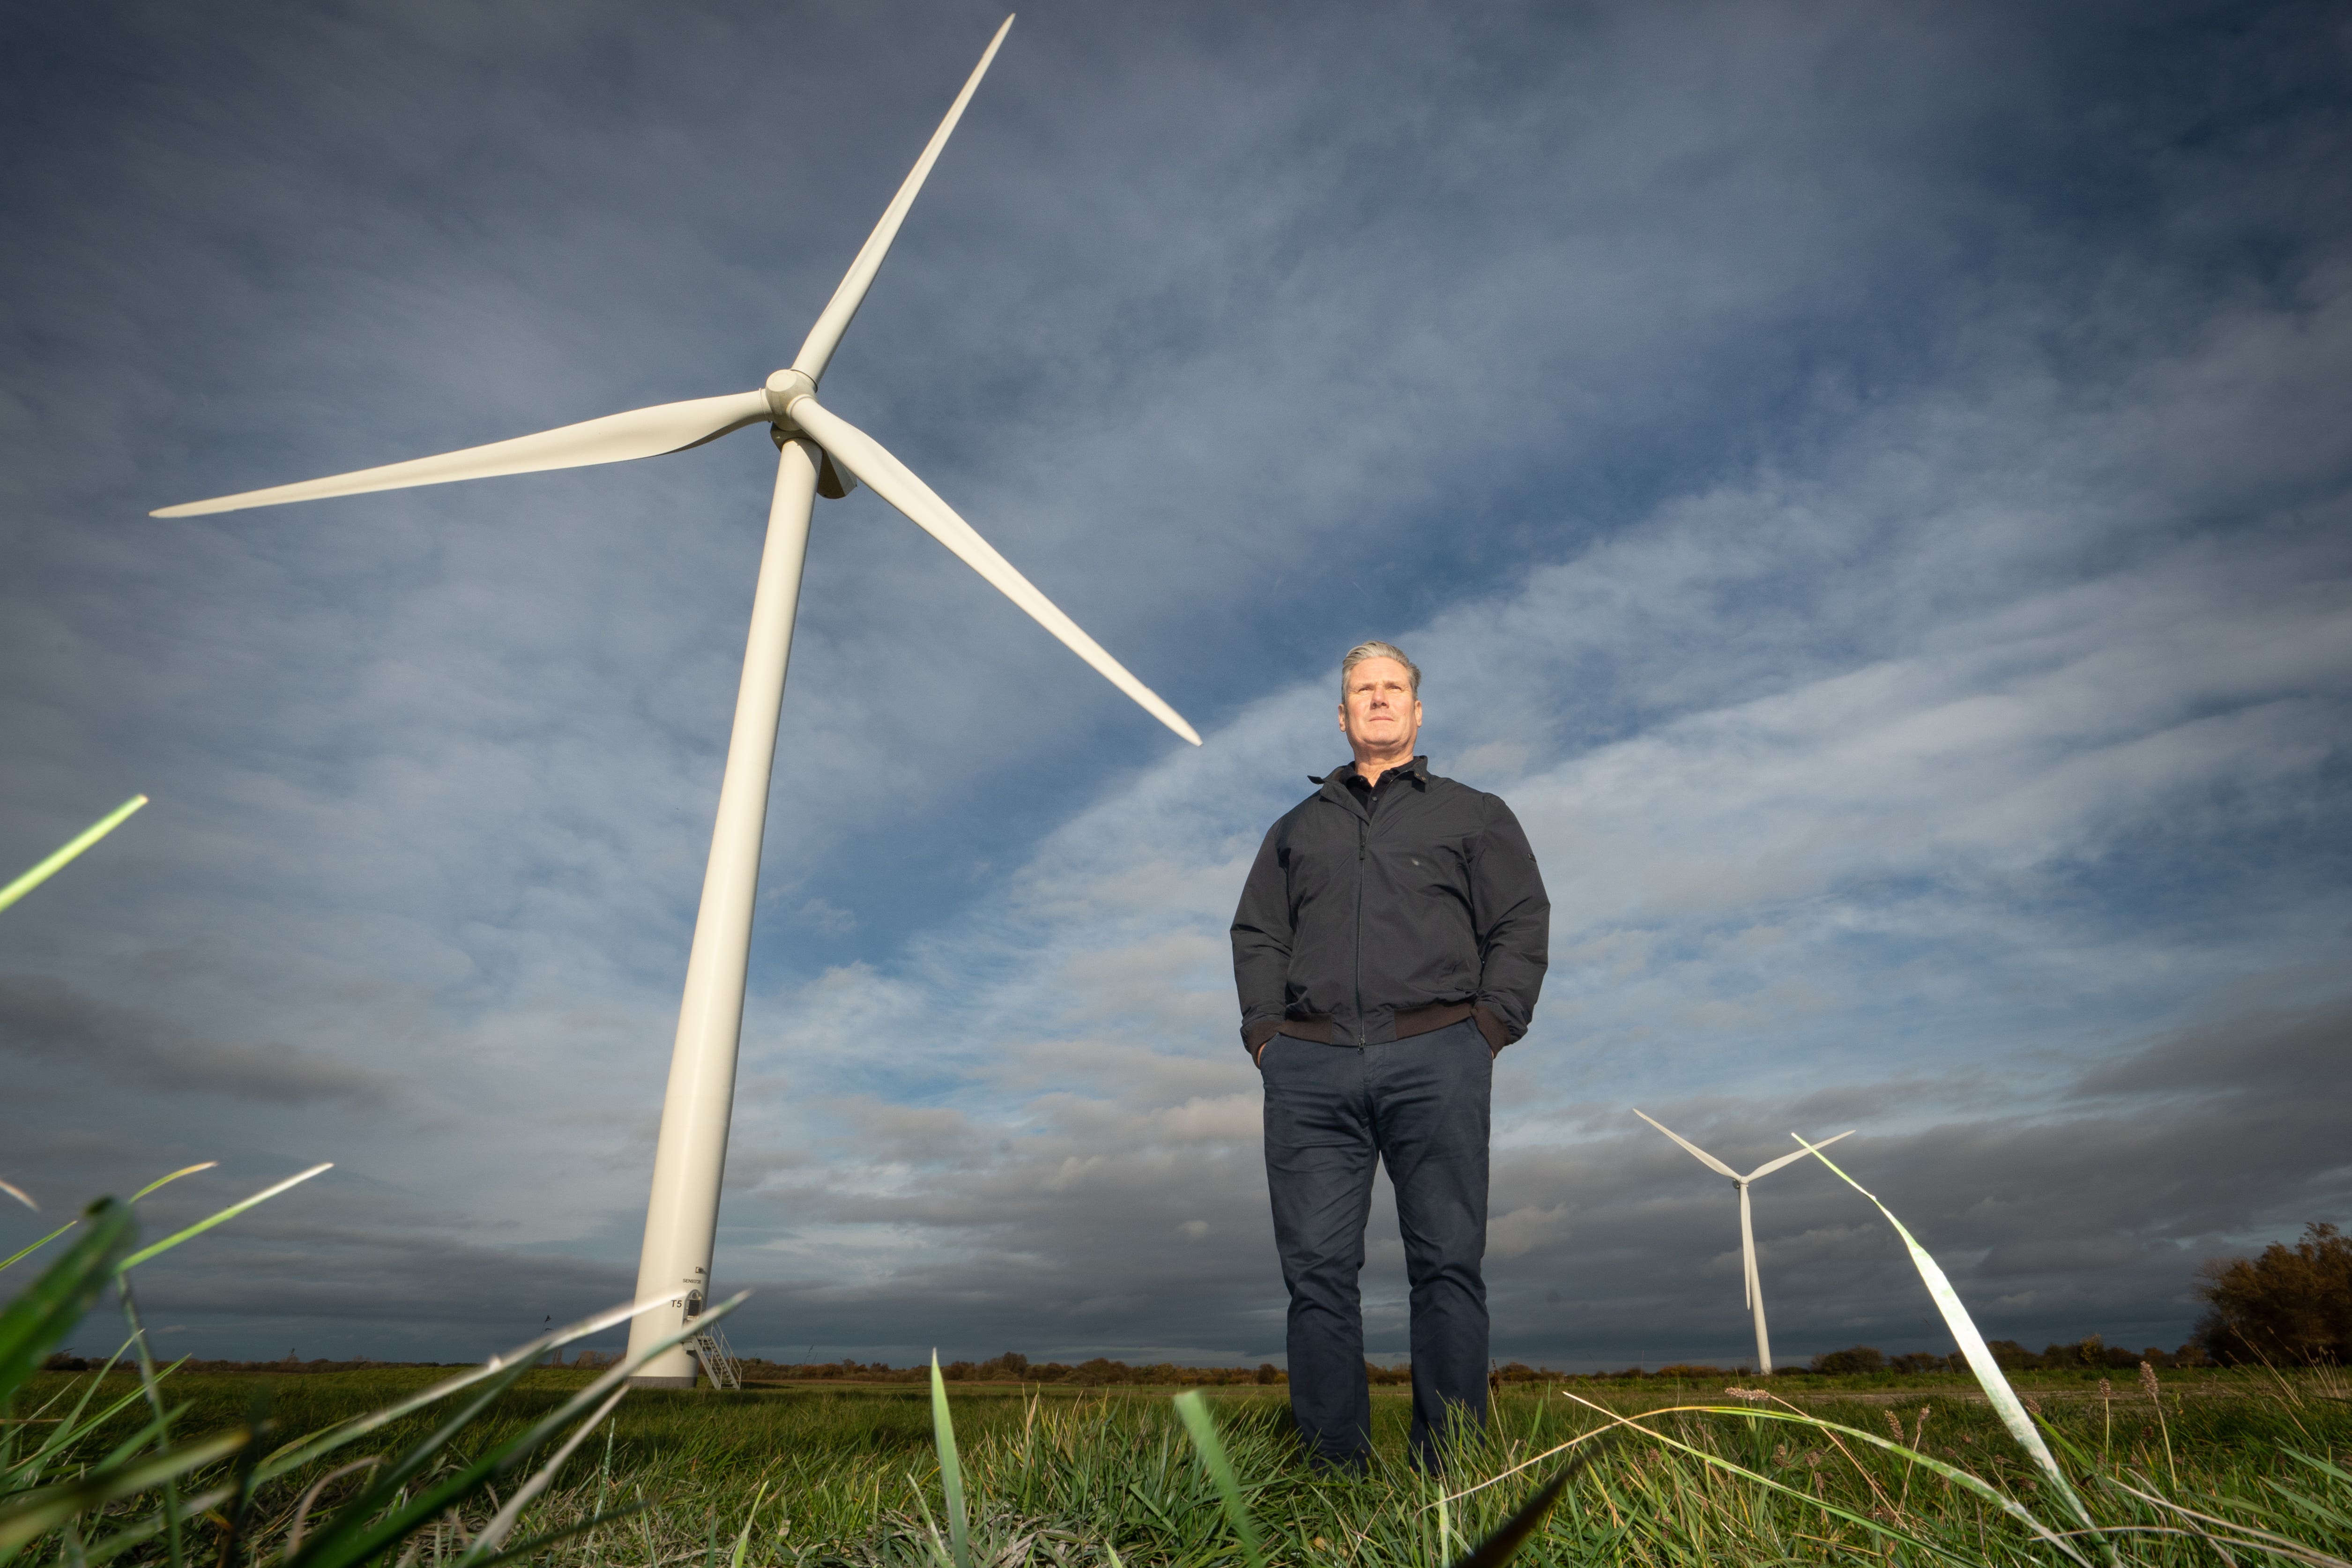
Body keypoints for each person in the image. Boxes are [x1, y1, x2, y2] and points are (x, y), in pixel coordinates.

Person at [1230, 640, 1549, 1469]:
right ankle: (1333, 1471)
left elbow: (1520, 921)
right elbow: (1259, 933)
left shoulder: (1474, 813)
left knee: (1447, 1263)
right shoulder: (1295, 830)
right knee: (1318, 1276)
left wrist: (1488, 1028)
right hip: (1309, 1068)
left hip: (1438, 1054)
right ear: (1342, 716)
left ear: (1417, 710)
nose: (1378, 700)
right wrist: (1267, 1037)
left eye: (1393, 688)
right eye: (1361, 690)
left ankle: (1451, 1465)